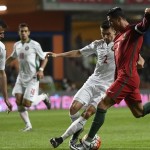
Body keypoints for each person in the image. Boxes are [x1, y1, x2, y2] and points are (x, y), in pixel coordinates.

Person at [74, 7, 150, 150]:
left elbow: (144, 25)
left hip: (126, 77)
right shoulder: (117, 38)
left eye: (111, 21)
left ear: (118, 19)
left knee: (102, 105)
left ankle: (87, 143)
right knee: (139, 112)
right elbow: (127, 56)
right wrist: (138, 58)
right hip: (125, 77)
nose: (110, 24)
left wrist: (147, 14)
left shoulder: (132, 31)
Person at [48, 20, 116, 149]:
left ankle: (64, 139)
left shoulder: (120, 45)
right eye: (103, 33)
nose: (106, 37)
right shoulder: (97, 44)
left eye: (108, 34)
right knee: (73, 108)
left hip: (106, 86)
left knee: (87, 113)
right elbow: (78, 52)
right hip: (92, 81)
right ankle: (78, 129)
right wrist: (58, 55)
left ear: (114, 31)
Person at [6, 23, 51, 132]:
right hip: (21, 78)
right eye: (22, 31)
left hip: (33, 78)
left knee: (27, 104)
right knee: (18, 101)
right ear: (19, 32)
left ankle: (44, 96)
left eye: (26, 31)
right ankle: (28, 126)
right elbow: (12, 57)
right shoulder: (16, 45)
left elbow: (45, 58)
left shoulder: (35, 45)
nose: (24, 33)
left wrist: (41, 70)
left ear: (29, 32)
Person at [0, 20, 12, 113]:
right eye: (0, 33)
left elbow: (2, 73)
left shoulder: (1, 48)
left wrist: (6, 98)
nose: (2, 36)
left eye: (3, 33)